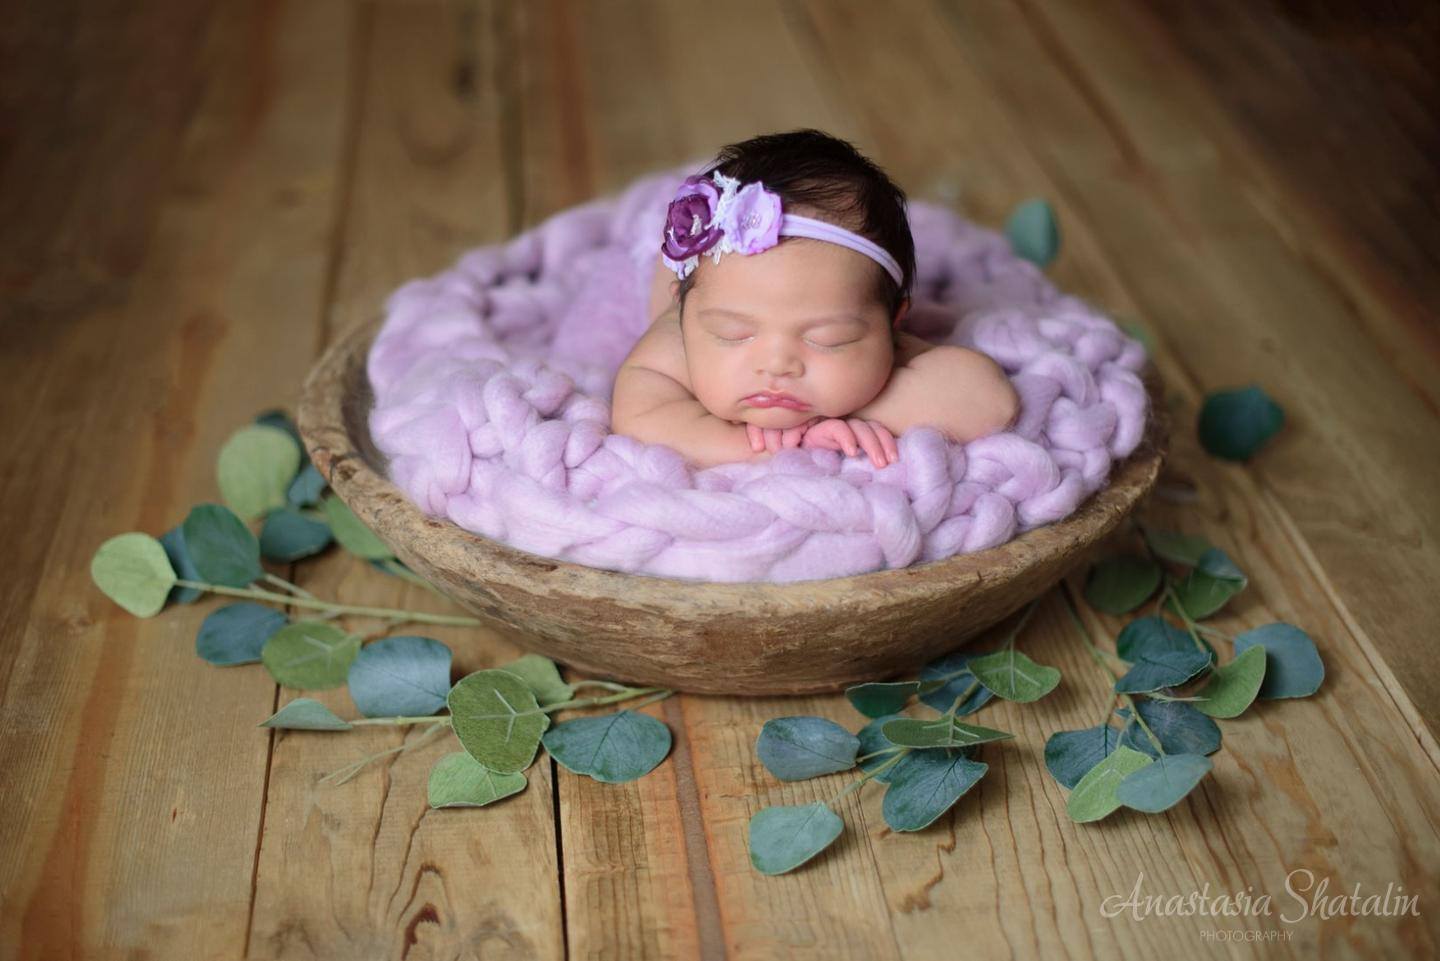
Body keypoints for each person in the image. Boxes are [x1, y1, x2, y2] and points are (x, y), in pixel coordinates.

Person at [610, 130, 1019, 470]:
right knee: (661, 259)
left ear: (893, 323)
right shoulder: (679, 336)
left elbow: (991, 404)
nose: (776, 364)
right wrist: (784, 445)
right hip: (679, 265)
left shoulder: (879, 343)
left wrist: (852, 407)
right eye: (732, 333)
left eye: (828, 338)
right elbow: (640, 418)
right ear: (687, 319)